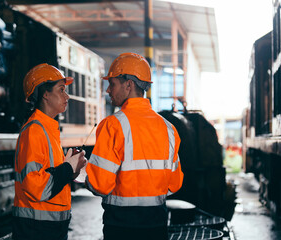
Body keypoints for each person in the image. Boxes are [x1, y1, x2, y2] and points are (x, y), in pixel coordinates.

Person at [85, 53, 184, 240]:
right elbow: (174, 183)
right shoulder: (168, 128)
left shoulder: (112, 125)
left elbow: (100, 185)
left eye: (112, 84)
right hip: (157, 225)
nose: (108, 90)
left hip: (121, 227)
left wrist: (82, 174)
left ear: (128, 85)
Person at [12, 63, 87, 240]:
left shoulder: (47, 129)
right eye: (61, 90)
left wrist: (72, 167)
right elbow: (37, 186)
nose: (67, 96)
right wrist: (69, 168)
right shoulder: (34, 131)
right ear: (45, 94)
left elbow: (49, 174)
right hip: (37, 230)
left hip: (49, 227)